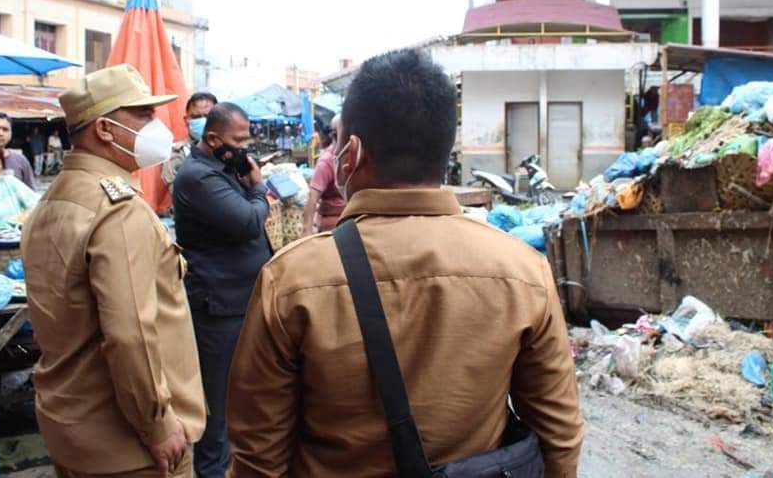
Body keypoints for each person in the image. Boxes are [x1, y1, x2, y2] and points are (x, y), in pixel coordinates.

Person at [226, 49, 584, 477]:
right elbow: (558, 435)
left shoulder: (291, 280)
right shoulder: (524, 270)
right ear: (444, 146)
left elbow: (258, 459)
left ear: (350, 153)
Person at [20, 64, 206, 478]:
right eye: (142, 115)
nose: (156, 125)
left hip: (73, 427)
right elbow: (130, 333)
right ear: (105, 130)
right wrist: (157, 424)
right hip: (131, 445)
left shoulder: (50, 203)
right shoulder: (119, 211)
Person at [172, 102, 272, 477]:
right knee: (217, 406)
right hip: (219, 306)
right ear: (212, 139)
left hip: (240, 299)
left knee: (240, 397)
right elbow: (248, 222)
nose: (244, 148)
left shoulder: (223, 167)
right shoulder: (198, 177)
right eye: (238, 140)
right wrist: (259, 189)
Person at [161, 91, 218, 196]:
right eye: (196, 117)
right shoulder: (175, 154)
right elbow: (181, 194)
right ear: (186, 120)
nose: (202, 121)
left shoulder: (227, 149)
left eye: (207, 116)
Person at [302, 115, 345, 235]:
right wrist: (307, 231)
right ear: (335, 135)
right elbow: (312, 197)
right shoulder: (326, 162)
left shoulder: (351, 155)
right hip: (332, 225)